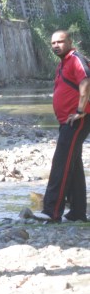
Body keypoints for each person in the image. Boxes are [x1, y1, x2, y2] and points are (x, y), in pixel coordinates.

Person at [32, 30, 90, 223]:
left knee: (61, 162)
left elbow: (86, 81)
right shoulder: (63, 63)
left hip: (77, 119)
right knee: (73, 164)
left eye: (60, 42)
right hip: (68, 120)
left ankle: (51, 211)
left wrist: (80, 110)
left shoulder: (75, 59)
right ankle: (78, 213)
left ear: (70, 42)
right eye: (53, 42)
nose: (56, 45)